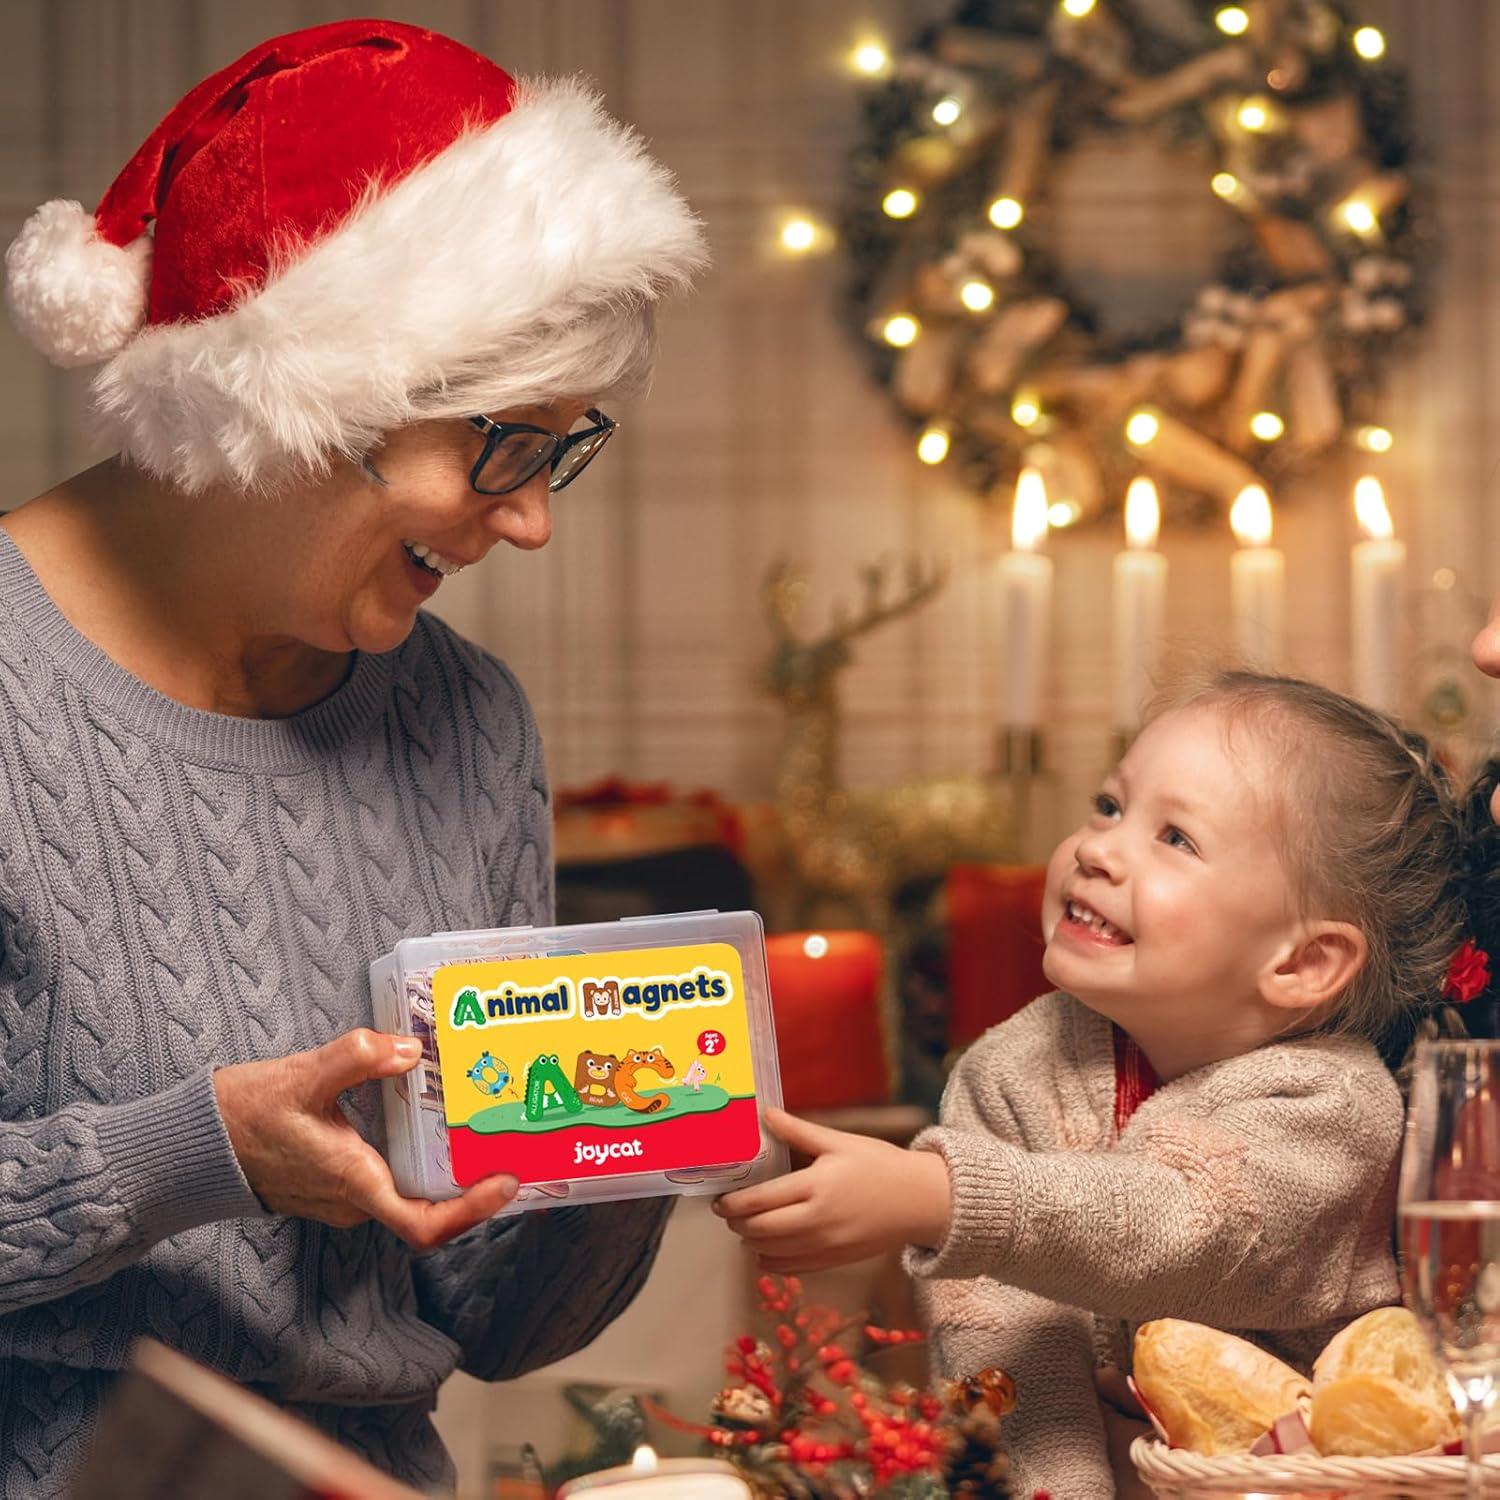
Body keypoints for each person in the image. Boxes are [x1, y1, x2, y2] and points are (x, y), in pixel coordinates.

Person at [0, 19, 706, 1497]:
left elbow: (492, 1327)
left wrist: (629, 1157)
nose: (531, 520)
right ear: (305, 398)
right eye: (503, 445)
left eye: (562, 454)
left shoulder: (469, 723)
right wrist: (192, 1156)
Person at [719, 669, 1489, 1497]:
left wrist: (945, 1198)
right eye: (1111, 806)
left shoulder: (1334, 1105)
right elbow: (1002, 1345)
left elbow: (1198, 1229)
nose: (1096, 848)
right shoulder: (1011, 1070)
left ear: (1302, 962)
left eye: (1175, 839)